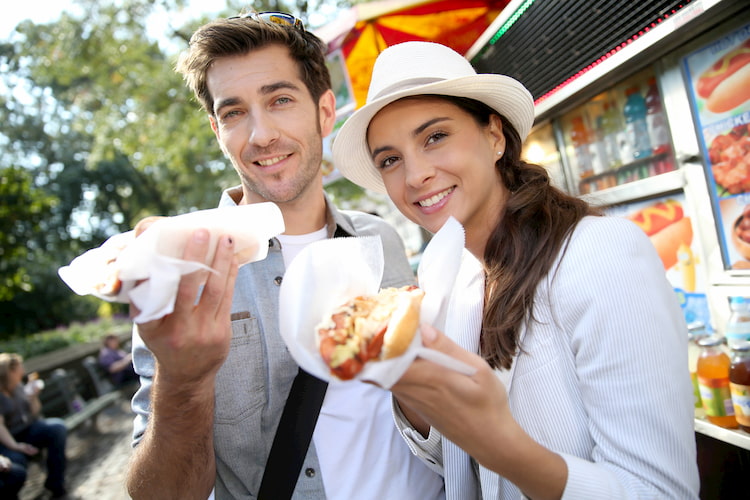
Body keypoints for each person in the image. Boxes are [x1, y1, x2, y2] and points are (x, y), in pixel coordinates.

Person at [332, 41, 700, 499]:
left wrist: (503, 446)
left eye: (435, 137)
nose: (414, 176)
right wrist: (408, 385)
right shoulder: (446, 274)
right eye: (390, 159)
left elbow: (660, 492)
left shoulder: (598, 254)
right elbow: (456, 466)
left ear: (494, 136)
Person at [125, 12, 444, 500]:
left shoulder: (382, 239)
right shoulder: (180, 270)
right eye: (234, 112)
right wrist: (184, 382)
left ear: (324, 112)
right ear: (217, 130)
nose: (261, 134)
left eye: (280, 100)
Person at [0, 353, 68, 499]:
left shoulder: (18, 387)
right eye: (19, 368)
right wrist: (15, 445)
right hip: (8, 440)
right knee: (16, 461)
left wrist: (34, 396)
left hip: (27, 430)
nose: (23, 371)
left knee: (57, 428)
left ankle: (55, 482)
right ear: (9, 371)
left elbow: (35, 413)